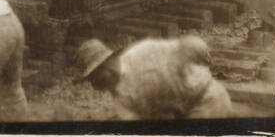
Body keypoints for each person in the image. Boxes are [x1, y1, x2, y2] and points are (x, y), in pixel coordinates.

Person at [76, 34, 233, 119]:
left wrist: (203, 56)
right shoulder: (121, 99)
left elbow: (191, 45)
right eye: (92, 81)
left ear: (108, 62)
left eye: (96, 77)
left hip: (207, 100)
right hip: (182, 113)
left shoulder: (143, 52)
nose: (95, 85)